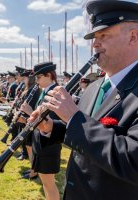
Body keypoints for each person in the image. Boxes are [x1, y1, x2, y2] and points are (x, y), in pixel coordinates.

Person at [29, 1, 138, 199]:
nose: (95, 43)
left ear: (133, 37)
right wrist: (52, 128)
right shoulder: (93, 88)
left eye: (103, 35)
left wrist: (74, 116)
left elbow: (133, 160)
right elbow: (85, 132)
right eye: (94, 37)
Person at [20, 62, 61, 200]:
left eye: (38, 77)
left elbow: (51, 121)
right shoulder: (45, 91)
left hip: (48, 144)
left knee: (49, 183)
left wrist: (30, 112)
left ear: (49, 75)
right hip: (39, 142)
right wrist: (27, 119)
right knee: (45, 182)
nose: (36, 81)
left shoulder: (56, 92)